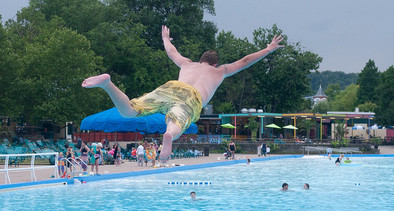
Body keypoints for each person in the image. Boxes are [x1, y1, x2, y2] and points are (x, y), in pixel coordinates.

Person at [83, 26, 283, 162]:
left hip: (171, 87)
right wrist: (268, 49)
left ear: (200, 60)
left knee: (130, 111)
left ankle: (108, 84)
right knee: (177, 122)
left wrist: (164, 38)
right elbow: (245, 61)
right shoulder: (219, 71)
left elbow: (171, 52)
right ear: (214, 63)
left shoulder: (187, 63)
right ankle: (169, 134)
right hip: (192, 97)